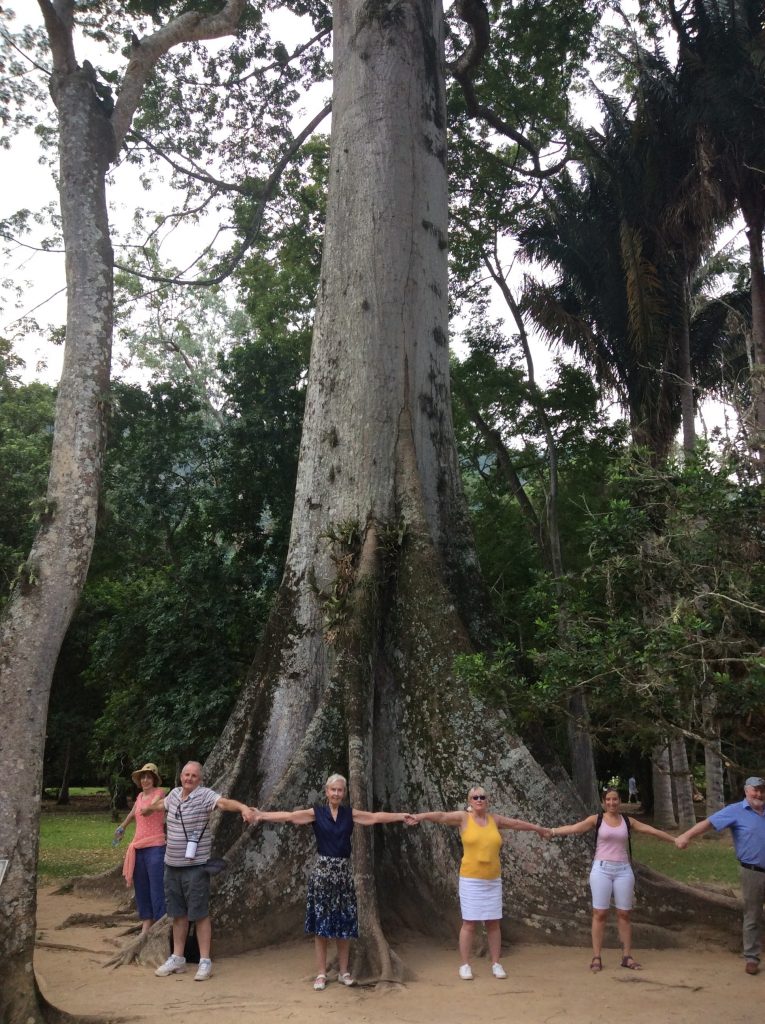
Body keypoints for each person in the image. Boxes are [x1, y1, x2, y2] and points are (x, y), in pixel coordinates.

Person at [253, 772, 410, 991]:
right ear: (326, 792)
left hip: (343, 874)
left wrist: (401, 816)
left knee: (344, 925)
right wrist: (261, 815)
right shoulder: (316, 813)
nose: (336, 793)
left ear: (344, 793)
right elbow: (289, 816)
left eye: (340, 790)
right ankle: (321, 973)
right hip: (323, 874)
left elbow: (374, 818)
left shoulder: (350, 814)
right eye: (333, 789)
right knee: (322, 929)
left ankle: (344, 971)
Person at [411, 785, 549, 981]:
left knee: (493, 923)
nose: (479, 799)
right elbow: (441, 816)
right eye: (475, 797)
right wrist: (420, 816)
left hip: (493, 879)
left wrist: (538, 829)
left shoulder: (495, 820)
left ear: (487, 800)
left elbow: (517, 824)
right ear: (469, 801)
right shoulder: (463, 818)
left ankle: (496, 963)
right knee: (469, 923)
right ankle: (465, 964)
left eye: (482, 797)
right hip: (471, 880)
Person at [143, 760, 256, 981]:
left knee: (200, 914)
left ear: (200, 779)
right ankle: (178, 957)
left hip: (195, 868)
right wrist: (148, 809)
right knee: (178, 914)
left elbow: (224, 803)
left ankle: (205, 961)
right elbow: (161, 805)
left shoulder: (205, 795)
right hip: (172, 866)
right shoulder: (174, 795)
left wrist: (243, 807)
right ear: (181, 776)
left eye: (194, 776)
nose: (189, 779)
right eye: (186, 775)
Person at [548, 786, 680, 972]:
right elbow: (575, 828)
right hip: (601, 869)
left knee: (624, 914)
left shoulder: (627, 821)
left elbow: (650, 830)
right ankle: (596, 956)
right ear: (603, 802)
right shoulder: (597, 819)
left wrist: (674, 840)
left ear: (619, 801)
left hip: (623, 870)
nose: (612, 803)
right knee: (599, 913)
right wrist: (552, 831)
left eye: (615, 799)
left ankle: (627, 956)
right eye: (608, 800)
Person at [676, 775, 765, 975]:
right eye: (755, 790)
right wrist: (686, 836)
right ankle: (752, 957)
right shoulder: (735, 811)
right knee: (753, 915)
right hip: (752, 872)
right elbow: (708, 823)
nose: (759, 794)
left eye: (762, 790)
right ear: (746, 791)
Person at [113, 762, 166, 935]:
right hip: (138, 847)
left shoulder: (159, 793)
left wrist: (149, 808)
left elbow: (156, 806)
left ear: (154, 779)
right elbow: (133, 813)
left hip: (156, 847)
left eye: (149, 777)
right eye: (143, 777)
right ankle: (146, 923)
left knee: (156, 887)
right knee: (141, 887)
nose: (145, 780)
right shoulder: (139, 797)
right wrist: (122, 827)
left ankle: (160, 923)